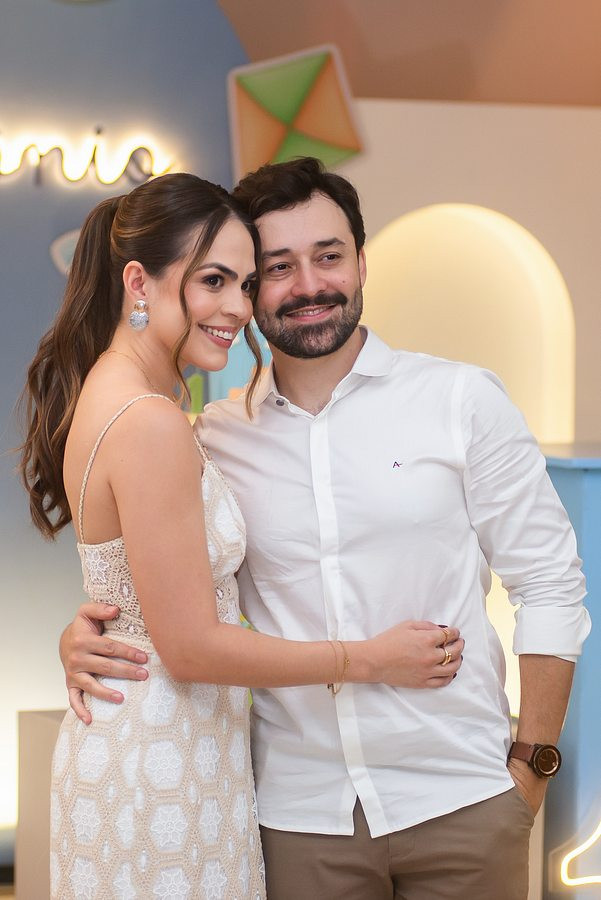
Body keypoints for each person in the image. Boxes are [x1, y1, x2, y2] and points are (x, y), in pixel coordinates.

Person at [59, 159, 590, 900]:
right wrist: (86, 631)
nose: (308, 285)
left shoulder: (460, 400)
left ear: (362, 262)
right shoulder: (211, 436)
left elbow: (550, 582)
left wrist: (532, 766)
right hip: (296, 818)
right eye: (276, 268)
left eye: (329, 256)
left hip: (462, 801)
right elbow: (167, 586)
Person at [20, 171, 464, 900]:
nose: (238, 307)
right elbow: (190, 646)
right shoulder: (150, 420)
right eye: (214, 280)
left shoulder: (125, 394)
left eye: (246, 283)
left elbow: (136, 593)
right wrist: (368, 658)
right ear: (139, 282)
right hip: (160, 758)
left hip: (161, 742)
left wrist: (87, 632)